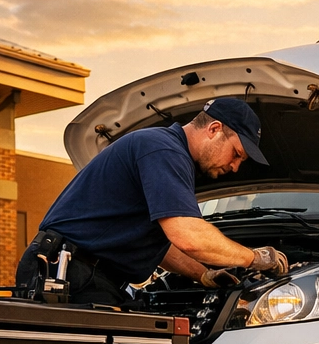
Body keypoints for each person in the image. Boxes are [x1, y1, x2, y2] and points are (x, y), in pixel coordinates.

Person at [17, 97, 290, 304]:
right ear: (214, 129)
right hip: (67, 273)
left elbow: (164, 246)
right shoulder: (163, 150)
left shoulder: (164, 152)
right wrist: (254, 257)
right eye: (237, 154)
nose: (235, 167)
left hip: (82, 273)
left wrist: (202, 274)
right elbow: (188, 237)